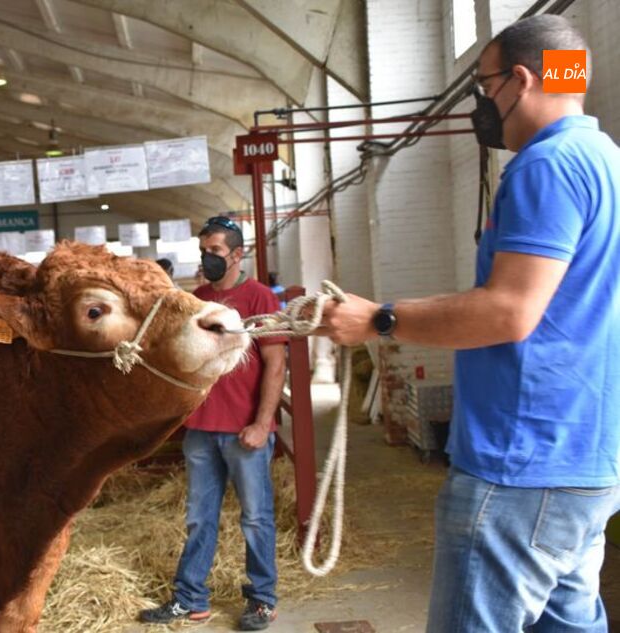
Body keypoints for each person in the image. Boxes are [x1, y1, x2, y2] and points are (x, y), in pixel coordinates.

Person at [319, 16, 620, 633]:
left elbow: (508, 311)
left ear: (520, 79)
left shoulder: (547, 166)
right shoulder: (605, 160)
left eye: (482, 87)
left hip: (521, 464)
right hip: (585, 461)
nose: (482, 105)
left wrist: (379, 319)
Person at [139, 216, 287, 631]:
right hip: (202, 430)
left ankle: (262, 600)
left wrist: (262, 423)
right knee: (199, 516)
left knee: (255, 517)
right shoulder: (197, 300)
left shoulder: (260, 299)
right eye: (204, 250)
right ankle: (190, 599)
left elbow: (275, 365)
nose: (208, 258)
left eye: (216, 251)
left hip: (245, 432)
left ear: (237, 255)